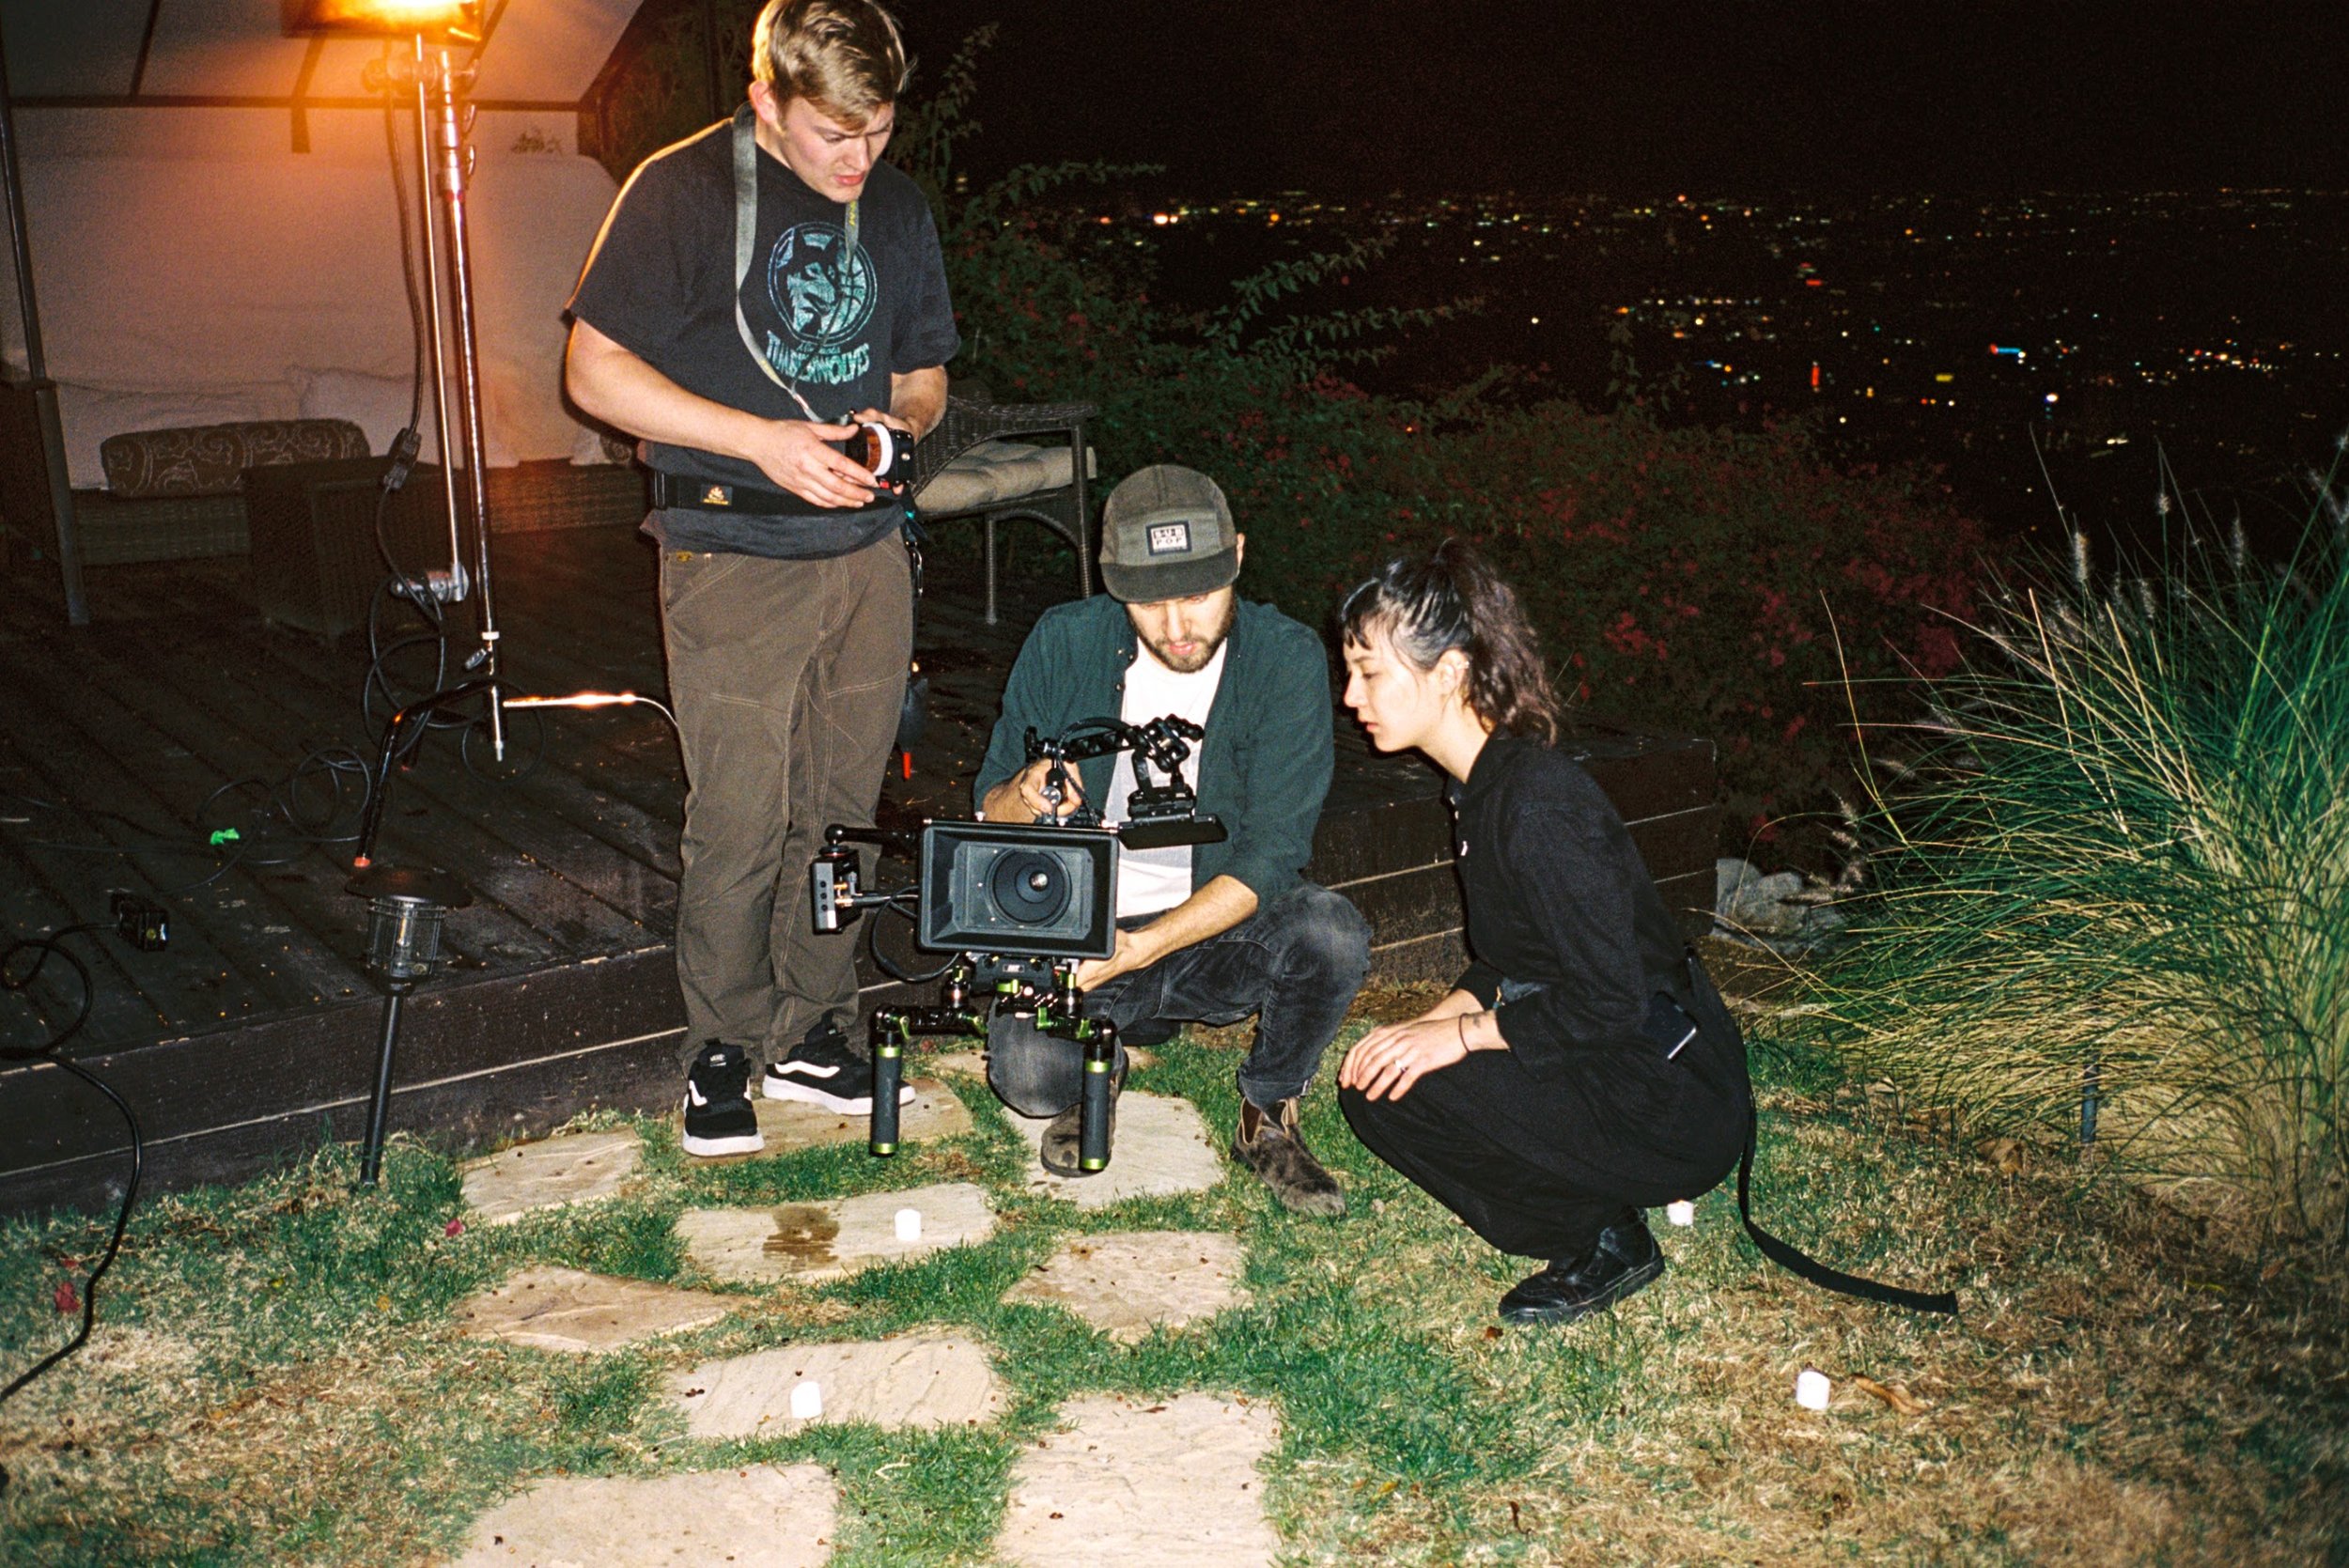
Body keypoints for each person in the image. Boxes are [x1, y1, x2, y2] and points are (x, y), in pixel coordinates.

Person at [565, 0, 957, 1157]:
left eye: (877, 131)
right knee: (741, 815)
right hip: (731, 547)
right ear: (766, 101)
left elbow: (925, 370)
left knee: (840, 810)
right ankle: (722, 1048)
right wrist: (760, 440)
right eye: (834, 133)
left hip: (866, 556)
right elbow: (593, 372)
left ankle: (813, 1026)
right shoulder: (680, 190)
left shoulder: (893, 202)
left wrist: (898, 425)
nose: (858, 160)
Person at [1334, 541, 1752, 1324]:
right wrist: (1429, 1022)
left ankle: (1602, 1240)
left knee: (1424, 1077)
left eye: (1370, 672)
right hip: (1604, 1052)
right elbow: (1510, 955)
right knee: (1378, 1087)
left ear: (1450, 673)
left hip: (1667, 1093)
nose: (1352, 694)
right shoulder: (1480, 787)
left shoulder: (1538, 808)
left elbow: (1613, 1004)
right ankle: (1596, 1201)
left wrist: (1461, 1036)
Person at [972, 464, 1371, 1213]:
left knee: (1331, 933)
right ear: (1112, 581)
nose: (1178, 626)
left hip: (1217, 927)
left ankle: (1268, 1113)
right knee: (1028, 1076)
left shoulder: (1283, 659)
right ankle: (1103, 1061)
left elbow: (1274, 853)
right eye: (1151, 603)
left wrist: (1143, 946)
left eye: (1197, 595)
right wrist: (1024, 794)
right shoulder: (1066, 641)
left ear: (1238, 559)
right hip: (1085, 937)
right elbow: (987, 808)